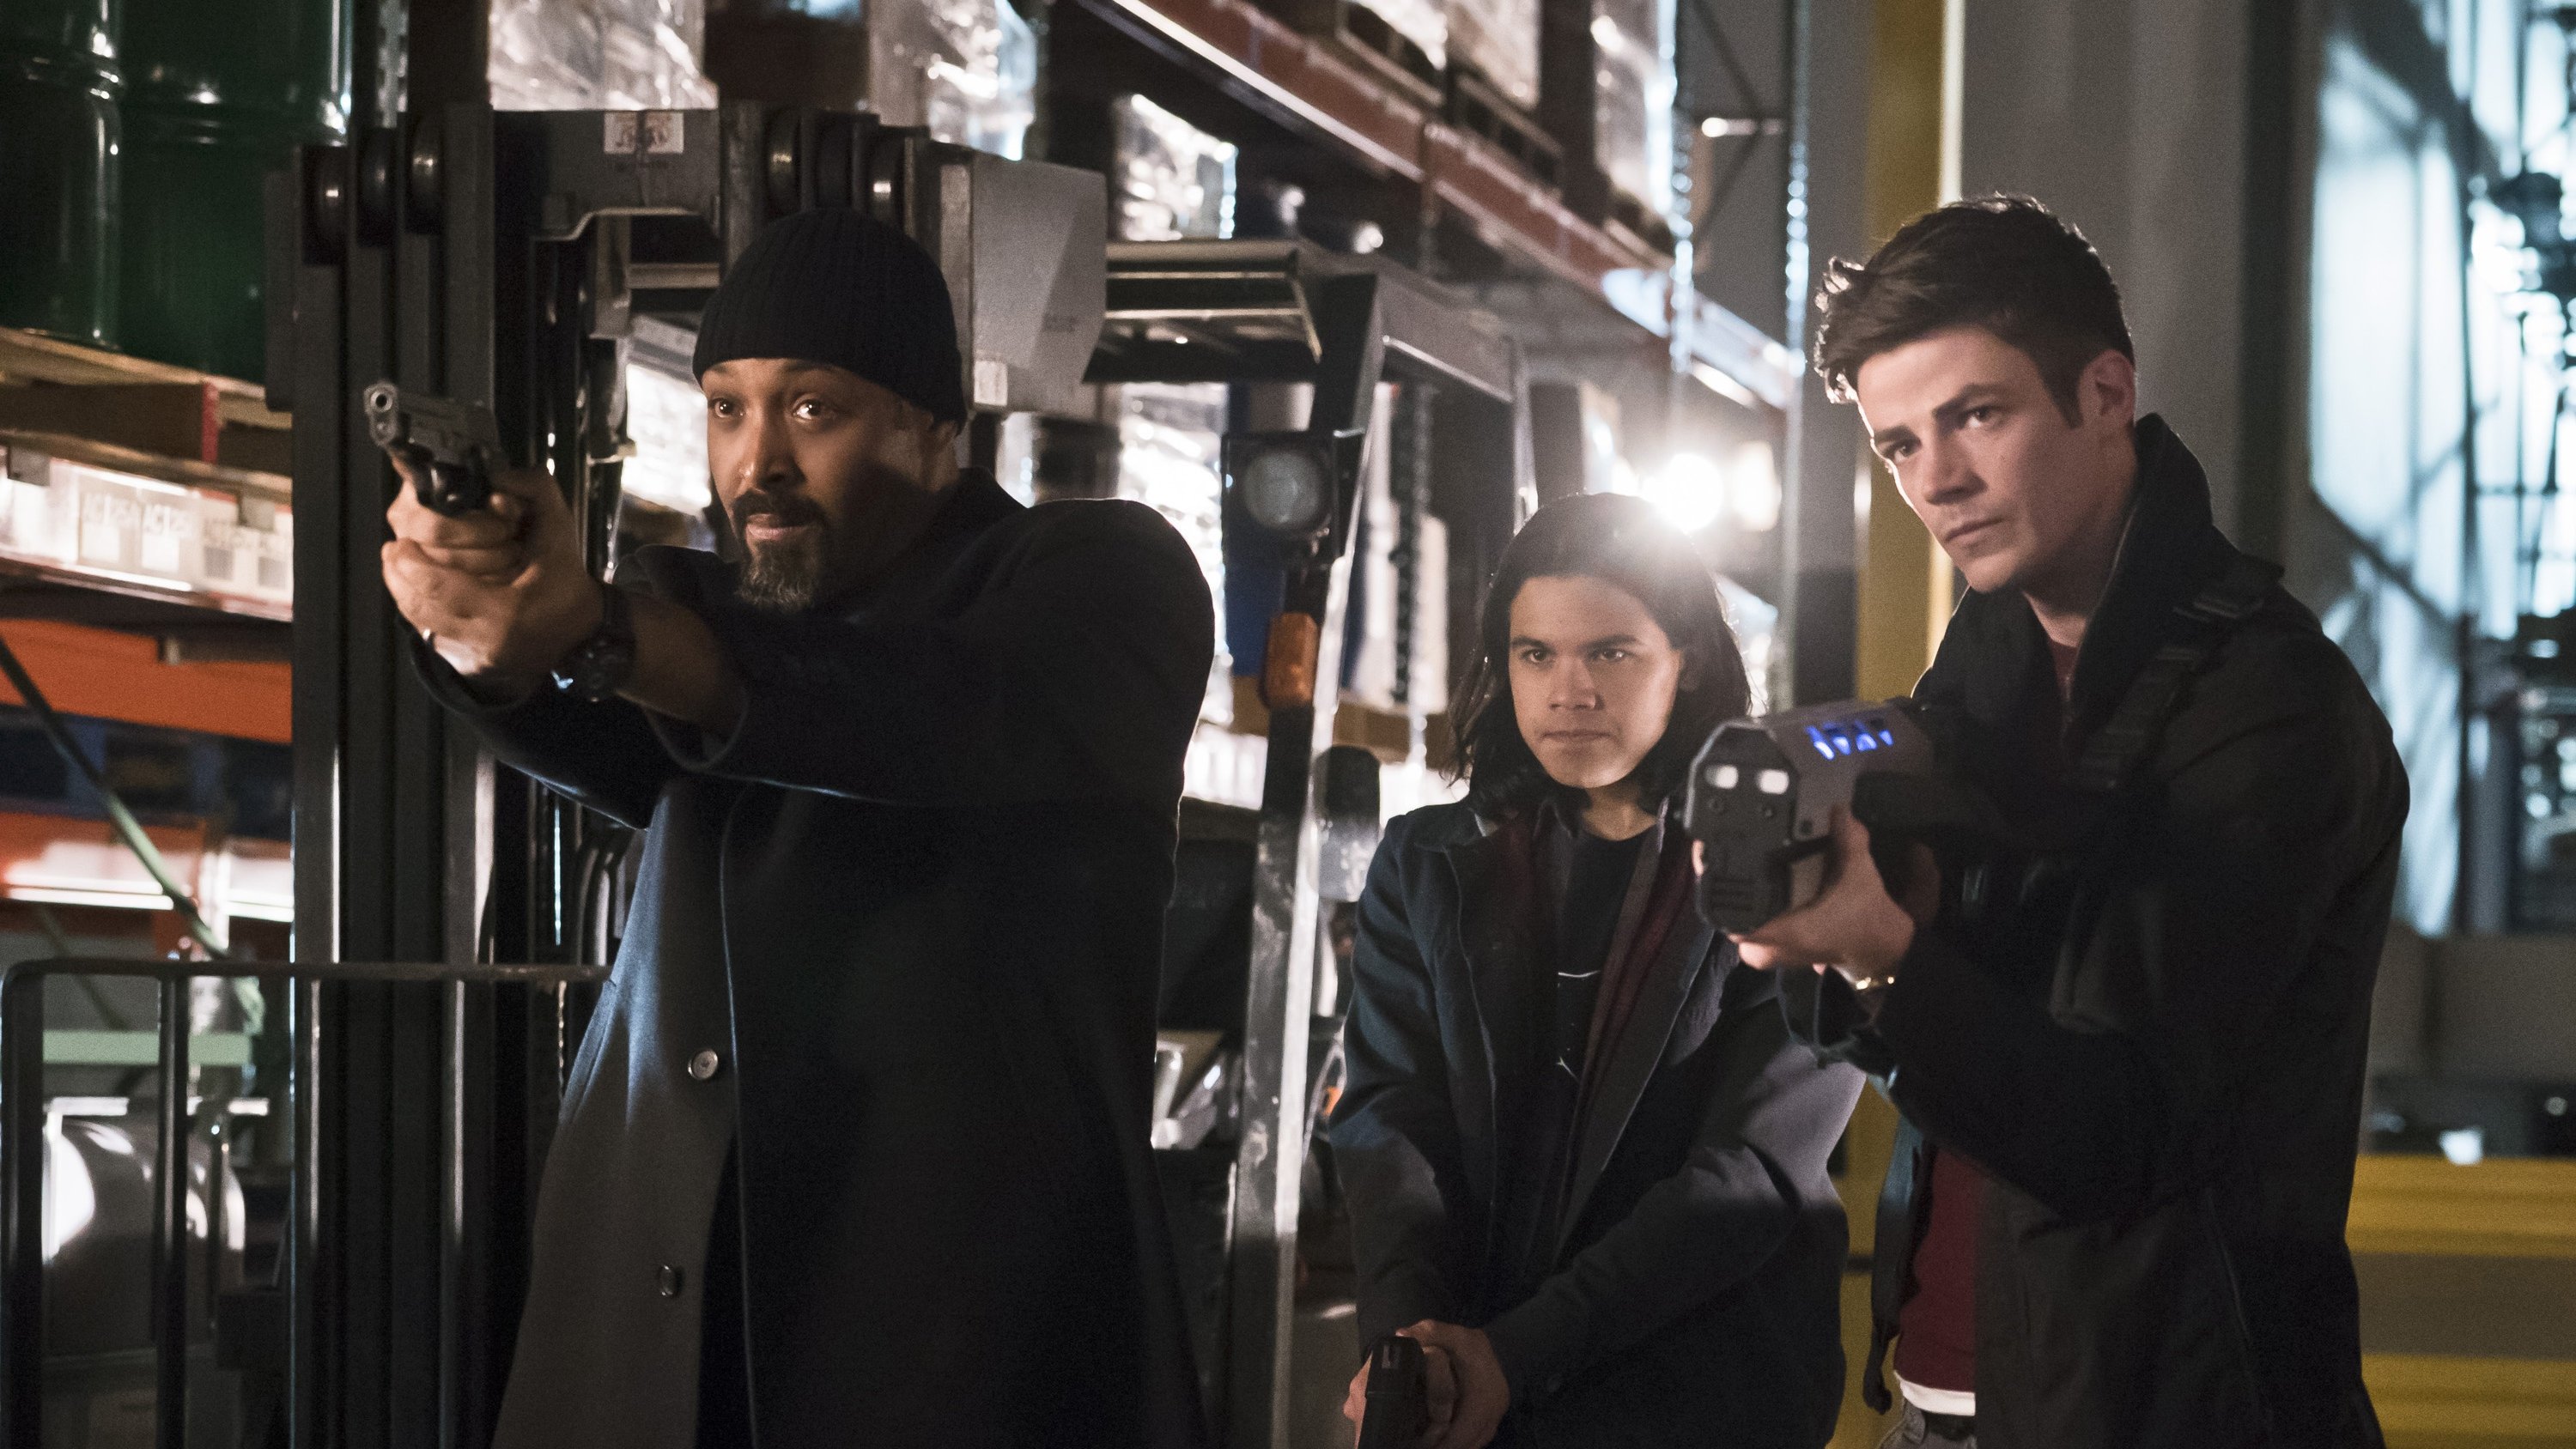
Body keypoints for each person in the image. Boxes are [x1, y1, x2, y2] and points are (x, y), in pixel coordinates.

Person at [378, 208, 1214, 1449]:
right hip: (666, 1335)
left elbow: (920, 714)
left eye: (813, 408)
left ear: (935, 426)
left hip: (958, 1350)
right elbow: (586, 721)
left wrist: (605, 634)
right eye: (727, 407)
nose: (757, 460)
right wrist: (482, 616)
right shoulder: (699, 611)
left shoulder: (1100, 580)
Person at [1735, 196, 2408, 1449]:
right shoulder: (1987, 662)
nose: (1936, 480)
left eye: (1976, 415)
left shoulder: (2272, 708)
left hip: (2168, 1413)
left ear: (2105, 393)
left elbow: (2118, 1133)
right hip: (1939, 1392)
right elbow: (1943, 1014)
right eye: (1899, 445)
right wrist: (1833, 919)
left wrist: (1885, 953)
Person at [1330, 494, 1865, 1449]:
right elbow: (1391, 1116)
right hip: (1473, 1394)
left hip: (1695, 1400)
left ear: (1684, 659)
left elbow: (1751, 1170)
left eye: (1611, 653)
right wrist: (1413, 1344)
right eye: (1536, 654)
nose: (1568, 691)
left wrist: (1515, 1355)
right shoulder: (1430, 863)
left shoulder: (1787, 861)